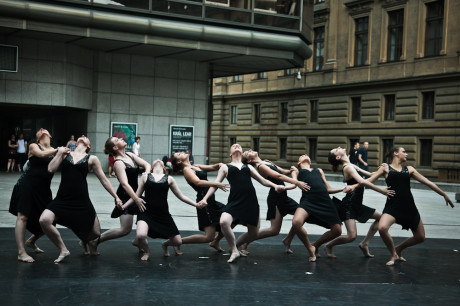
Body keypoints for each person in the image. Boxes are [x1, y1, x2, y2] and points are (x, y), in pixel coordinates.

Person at [39, 136, 122, 263]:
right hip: (63, 198)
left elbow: (104, 180)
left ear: (89, 146)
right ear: (76, 142)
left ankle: (83, 241)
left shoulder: (92, 158)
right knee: (44, 220)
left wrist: (116, 197)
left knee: (95, 233)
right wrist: (59, 153)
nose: (83, 137)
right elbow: (50, 169)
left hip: (81, 200)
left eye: (86, 137)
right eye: (81, 137)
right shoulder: (65, 153)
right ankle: (63, 249)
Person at [368, 147, 454, 266]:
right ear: (395, 153)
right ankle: (393, 254)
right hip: (392, 206)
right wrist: (380, 190)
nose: (407, 154)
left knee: (420, 237)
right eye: (404, 152)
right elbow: (368, 181)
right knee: (382, 228)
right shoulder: (385, 168)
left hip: (409, 207)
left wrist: (443, 194)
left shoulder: (409, 169)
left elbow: (428, 182)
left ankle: (399, 249)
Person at [199, 144, 284, 263]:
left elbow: (263, 180)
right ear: (230, 153)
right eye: (233, 146)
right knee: (224, 221)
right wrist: (205, 199)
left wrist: (275, 185)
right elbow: (215, 184)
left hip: (250, 201)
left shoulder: (248, 167)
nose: (236, 146)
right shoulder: (225, 167)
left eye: (238, 146)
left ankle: (234, 247)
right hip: (235, 201)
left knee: (253, 233)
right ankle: (234, 250)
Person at [125, 159, 201, 261]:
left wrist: (195, 204)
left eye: (160, 161)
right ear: (151, 168)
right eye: (155, 161)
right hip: (146, 211)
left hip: (163, 214)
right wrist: (124, 206)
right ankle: (147, 251)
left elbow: (181, 196)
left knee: (178, 242)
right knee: (141, 235)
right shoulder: (145, 176)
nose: (157, 160)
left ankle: (165, 244)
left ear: (164, 168)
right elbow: (136, 196)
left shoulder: (169, 179)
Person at [325, 146, 395, 258]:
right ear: (338, 157)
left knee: (381, 218)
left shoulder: (351, 165)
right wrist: (382, 191)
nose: (339, 147)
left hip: (356, 203)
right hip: (349, 205)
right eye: (336, 150)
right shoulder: (347, 168)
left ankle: (364, 243)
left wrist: (383, 168)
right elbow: (363, 182)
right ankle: (328, 245)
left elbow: (370, 175)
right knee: (351, 236)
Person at [239, 149, 310, 254]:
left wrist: (291, 171)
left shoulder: (267, 161)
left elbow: (281, 172)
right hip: (275, 198)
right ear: (249, 160)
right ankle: (245, 242)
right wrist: (296, 181)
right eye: (247, 153)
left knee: (301, 217)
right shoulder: (261, 167)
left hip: (284, 197)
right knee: (274, 230)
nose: (249, 150)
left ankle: (288, 240)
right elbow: (278, 176)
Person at [90, 137, 151, 254]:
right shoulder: (118, 163)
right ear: (115, 147)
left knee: (151, 214)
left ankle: (138, 240)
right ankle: (94, 241)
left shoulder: (129, 155)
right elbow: (124, 184)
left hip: (136, 194)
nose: (121, 138)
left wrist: (146, 174)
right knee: (124, 230)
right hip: (125, 196)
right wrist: (136, 199)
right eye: (117, 139)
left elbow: (146, 164)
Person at [9, 128, 58, 262]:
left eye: (45, 129)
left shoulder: (55, 150)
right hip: (27, 185)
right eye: (39, 130)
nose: (42, 129)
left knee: (50, 220)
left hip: (43, 190)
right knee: (23, 217)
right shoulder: (34, 146)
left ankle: (31, 241)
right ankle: (21, 252)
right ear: (38, 138)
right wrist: (59, 151)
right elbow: (41, 155)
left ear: (50, 135)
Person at [170, 151, 229, 254]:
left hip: (211, 199)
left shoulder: (195, 166)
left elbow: (214, 167)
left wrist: (221, 165)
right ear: (179, 161)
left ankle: (216, 241)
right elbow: (198, 182)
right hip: (204, 201)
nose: (182, 152)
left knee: (232, 218)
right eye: (179, 154)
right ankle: (176, 242)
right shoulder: (187, 170)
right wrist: (216, 183)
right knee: (208, 237)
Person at [290, 154, 346, 261]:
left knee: (337, 231)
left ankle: (316, 244)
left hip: (325, 202)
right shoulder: (296, 171)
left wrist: (342, 189)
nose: (305, 155)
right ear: (298, 162)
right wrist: (297, 183)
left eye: (307, 155)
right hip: (308, 201)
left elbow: (328, 189)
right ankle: (310, 249)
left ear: (310, 161)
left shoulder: (319, 170)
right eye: (301, 156)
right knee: (296, 222)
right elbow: (292, 183)